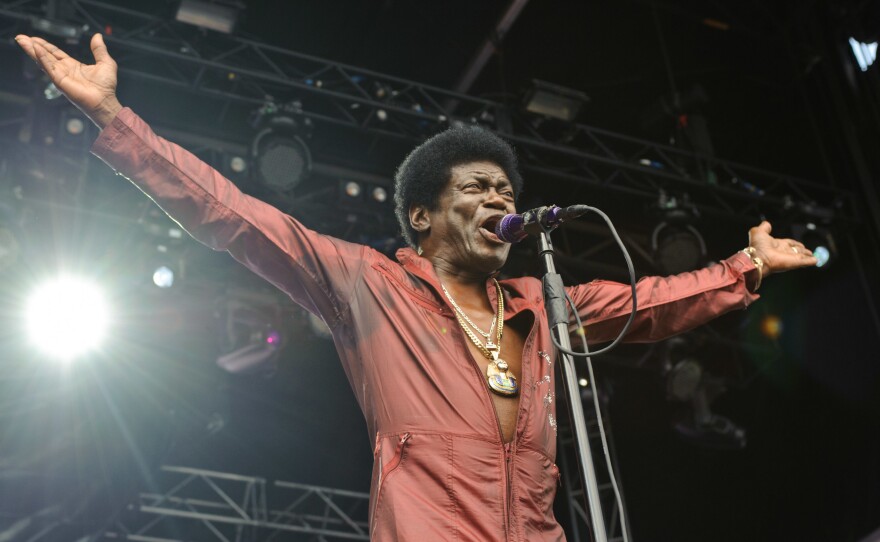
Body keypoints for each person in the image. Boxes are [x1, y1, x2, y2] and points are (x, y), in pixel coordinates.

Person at [15, 33, 817, 541]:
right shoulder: (368, 283)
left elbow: (653, 303)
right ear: (424, 217)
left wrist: (744, 267)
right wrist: (116, 120)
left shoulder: (543, 304)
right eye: (477, 187)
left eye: (506, 188)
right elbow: (231, 213)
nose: (499, 197)